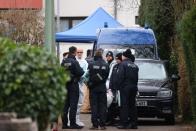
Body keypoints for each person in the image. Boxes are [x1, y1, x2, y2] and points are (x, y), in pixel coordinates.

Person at [61, 46, 84, 129]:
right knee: (73, 105)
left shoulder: (64, 61)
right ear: (74, 52)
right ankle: (73, 124)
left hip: (65, 85)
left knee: (65, 105)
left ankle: (64, 124)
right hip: (73, 85)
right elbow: (81, 72)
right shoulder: (74, 62)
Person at [116, 49, 139, 129]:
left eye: (122, 55)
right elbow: (136, 78)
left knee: (124, 106)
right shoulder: (135, 65)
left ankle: (124, 123)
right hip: (134, 87)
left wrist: (119, 87)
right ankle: (134, 123)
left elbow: (120, 77)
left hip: (125, 88)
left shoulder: (123, 64)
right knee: (132, 106)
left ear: (124, 56)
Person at [88, 49, 109, 130]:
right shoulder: (106, 65)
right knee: (103, 106)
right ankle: (102, 125)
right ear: (101, 55)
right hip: (102, 88)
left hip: (93, 88)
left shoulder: (91, 64)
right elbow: (106, 77)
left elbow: (89, 76)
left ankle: (95, 125)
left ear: (95, 56)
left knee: (94, 106)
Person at [106, 53, 123, 126]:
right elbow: (111, 77)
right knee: (111, 106)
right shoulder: (115, 66)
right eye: (116, 59)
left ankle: (120, 121)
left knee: (120, 106)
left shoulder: (123, 66)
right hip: (113, 89)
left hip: (120, 90)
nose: (116, 60)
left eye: (118, 59)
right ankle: (111, 120)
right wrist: (110, 87)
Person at [76, 48, 88, 126]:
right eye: (78, 52)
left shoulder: (85, 62)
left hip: (80, 83)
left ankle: (77, 119)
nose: (80, 53)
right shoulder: (74, 61)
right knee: (72, 103)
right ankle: (70, 119)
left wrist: (81, 78)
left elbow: (86, 72)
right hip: (73, 84)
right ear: (76, 53)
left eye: (81, 52)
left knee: (79, 102)